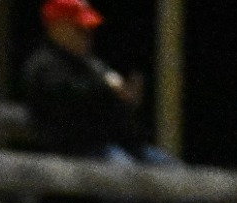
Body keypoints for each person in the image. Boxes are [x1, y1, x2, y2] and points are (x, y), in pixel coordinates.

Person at [19, 0, 150, 162]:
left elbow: (114, 92)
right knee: (128, 175)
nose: (87, 35)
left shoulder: (90, 63)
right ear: (57, 28)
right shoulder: (43, 65)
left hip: (113, 146)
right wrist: (110, 92)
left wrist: (126, 96)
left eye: (89, 29)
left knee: (171, 170)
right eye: (79, 29)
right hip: (72, 153)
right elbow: (74, 100)